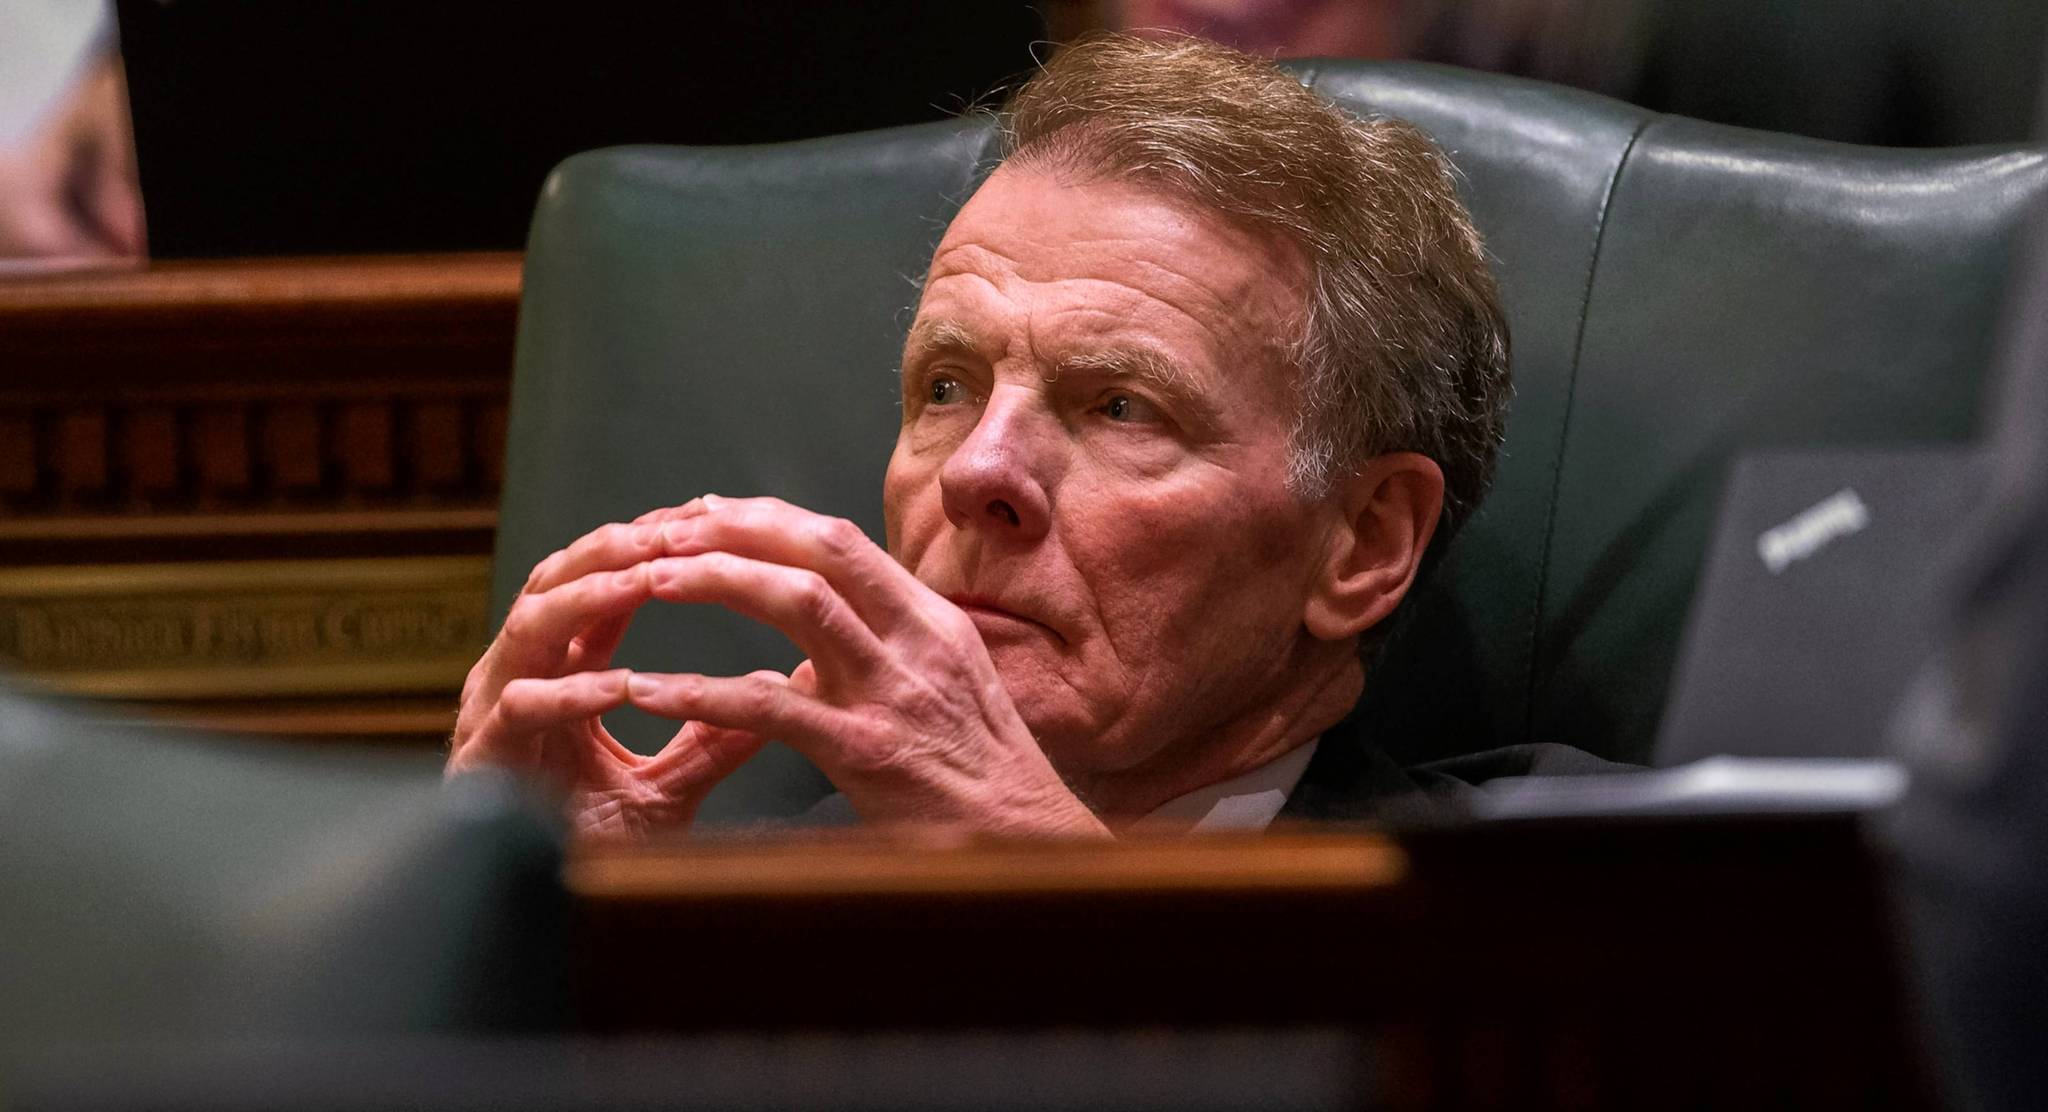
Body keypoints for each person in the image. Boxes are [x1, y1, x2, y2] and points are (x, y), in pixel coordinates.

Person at [448, 33, 1610, 840]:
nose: (976, 473)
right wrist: (528, 956)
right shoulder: (708, 898)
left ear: (1360, 541)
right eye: (945, 386)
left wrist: (1041, 871)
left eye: (1118, 405)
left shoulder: (1550, 928)